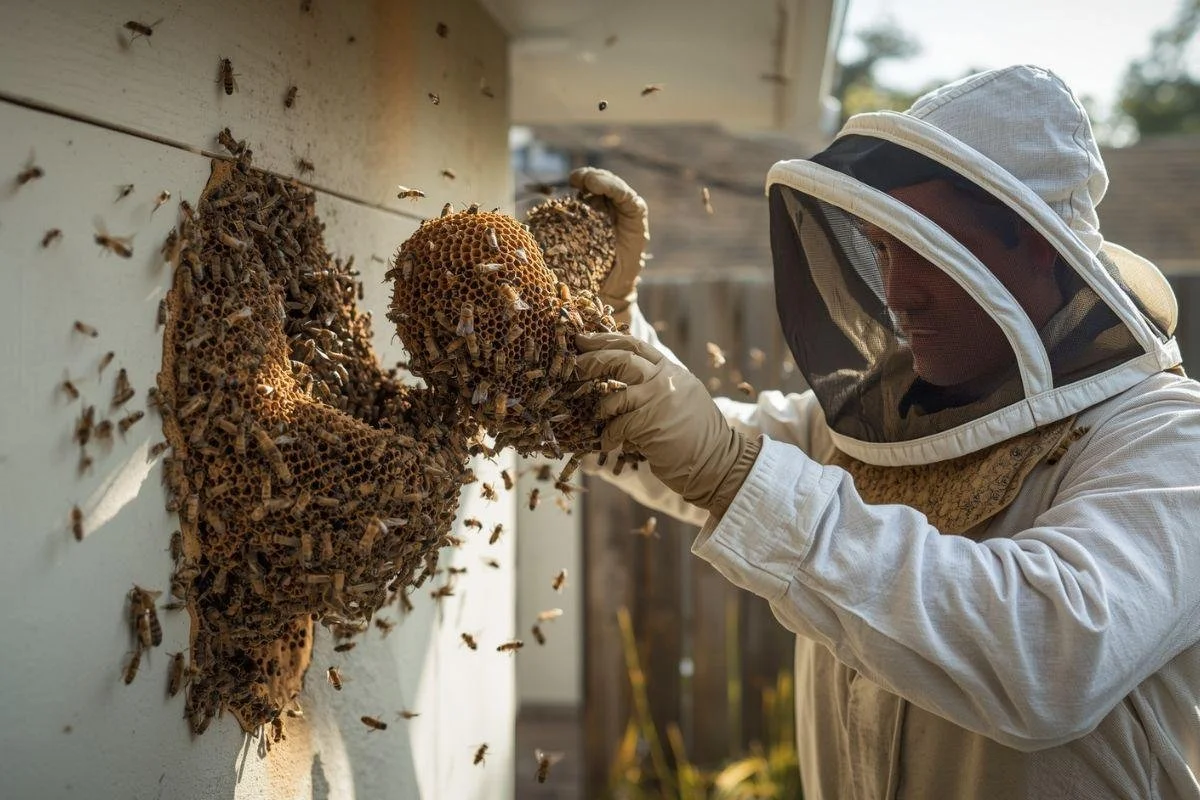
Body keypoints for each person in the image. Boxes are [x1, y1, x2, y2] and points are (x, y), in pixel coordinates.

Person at [569, 65, 1200, 799]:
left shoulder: (1166, 440)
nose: (896, 292)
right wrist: (607, 327)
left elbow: (1051, 656)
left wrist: (734, 469)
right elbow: (694, 438)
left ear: (1037, 245)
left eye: (928, 249)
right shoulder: (882, 426)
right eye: (881, 248)